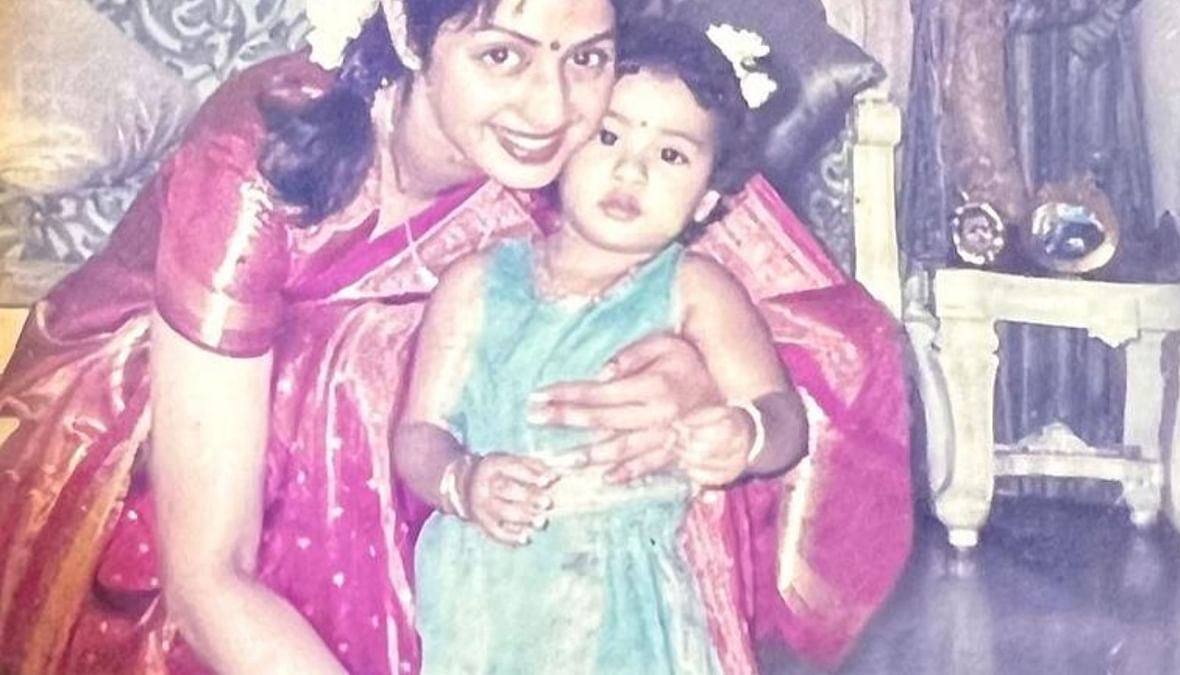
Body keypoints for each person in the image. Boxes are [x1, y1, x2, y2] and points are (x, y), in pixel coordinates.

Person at [0, 0, 912, 673]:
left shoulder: (592, 149)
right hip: (158, 454)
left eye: (585, 57)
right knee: (363, 366)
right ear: (405, 32)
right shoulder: (259, 164)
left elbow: (831, 339)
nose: (551, 107)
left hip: (478, 506)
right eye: (500, 55)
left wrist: (702, 386)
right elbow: (208, 575)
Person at [395, 18, 806, 673]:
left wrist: (746, 432)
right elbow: (418, 433)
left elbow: (786, 419)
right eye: (609, 135)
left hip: (630, 594)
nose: (630, 170)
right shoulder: (474, 284)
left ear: (708, 198)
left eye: (671, 155)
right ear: (567, 142)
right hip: (488, 592)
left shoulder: (696, 290)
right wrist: (462, 479)